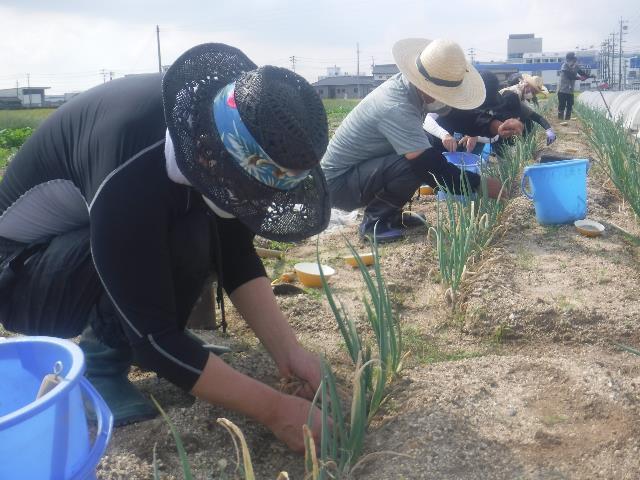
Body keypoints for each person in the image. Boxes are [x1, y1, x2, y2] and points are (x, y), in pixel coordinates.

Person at [0, 43, 330, 453]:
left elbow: (236, 256)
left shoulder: (210, 130)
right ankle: (101, 365)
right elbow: (153, 338)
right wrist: (276, 410)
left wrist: (290, 353)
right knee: (187, 232)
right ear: (211, 158)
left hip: (82, 247)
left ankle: (129, 337)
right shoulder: (131, 165)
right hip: (22, 275)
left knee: (203, 224)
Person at [321, 38, 523, 243]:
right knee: (416, 161)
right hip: (338, 185)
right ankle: (375, 222)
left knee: (419, 145)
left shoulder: (413, 89)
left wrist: (496, 126)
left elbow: (455, 116)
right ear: (426, 86)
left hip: (360, 172)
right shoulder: (396, 106)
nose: (446, 99)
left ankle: (391, 215)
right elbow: (428, 165)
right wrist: (479, 184)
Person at [558, 51, 594, 120]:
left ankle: (567, 120)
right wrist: (580, 78)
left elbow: (582, 73)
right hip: (562, 90)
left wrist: (589, 76)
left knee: (570, 105)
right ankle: (560, 120)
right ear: (568, 60)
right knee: (562, 105)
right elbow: (570, 76)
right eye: (571, 60)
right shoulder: (564, 66)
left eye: (574, 60)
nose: (573, 62)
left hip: (570, 91)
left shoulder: (576, 66)